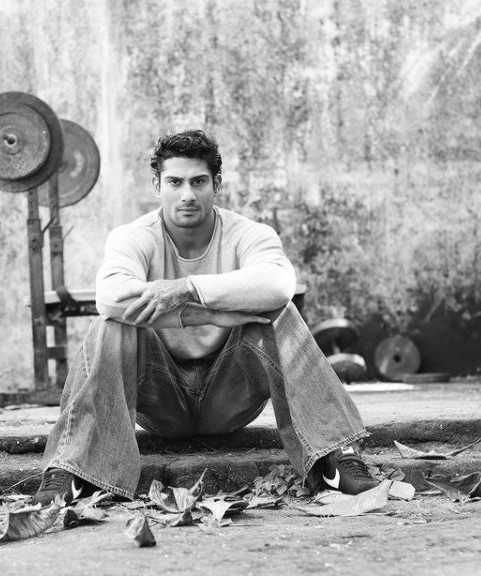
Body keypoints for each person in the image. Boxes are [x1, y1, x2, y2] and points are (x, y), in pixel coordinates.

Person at [32, 130, 378, 506]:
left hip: (229, 393)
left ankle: (335, 457)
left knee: (281, 314)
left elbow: (279, 284)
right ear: (157, 185)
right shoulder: (133, 237)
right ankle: (73, 471)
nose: (187, 194)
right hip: (160, 395)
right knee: (109, 326)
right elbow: (111, 297)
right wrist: (214, 313)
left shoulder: (249, 234)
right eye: (175, 182)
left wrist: (187, 289)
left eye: (198, 182)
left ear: (217, 184)